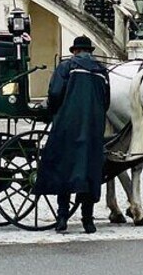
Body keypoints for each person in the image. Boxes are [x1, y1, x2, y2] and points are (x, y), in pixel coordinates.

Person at [33, 36, 110, 234]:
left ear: (75, 50)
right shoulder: (102, 71)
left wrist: (51, 111)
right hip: (93, 127)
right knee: (90, 170)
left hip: (68, 125)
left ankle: (62, 216)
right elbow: (106, 101)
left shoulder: (67, 67)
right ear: (89, 51)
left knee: (64, 169)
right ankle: (88, 219)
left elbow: (56, 94)